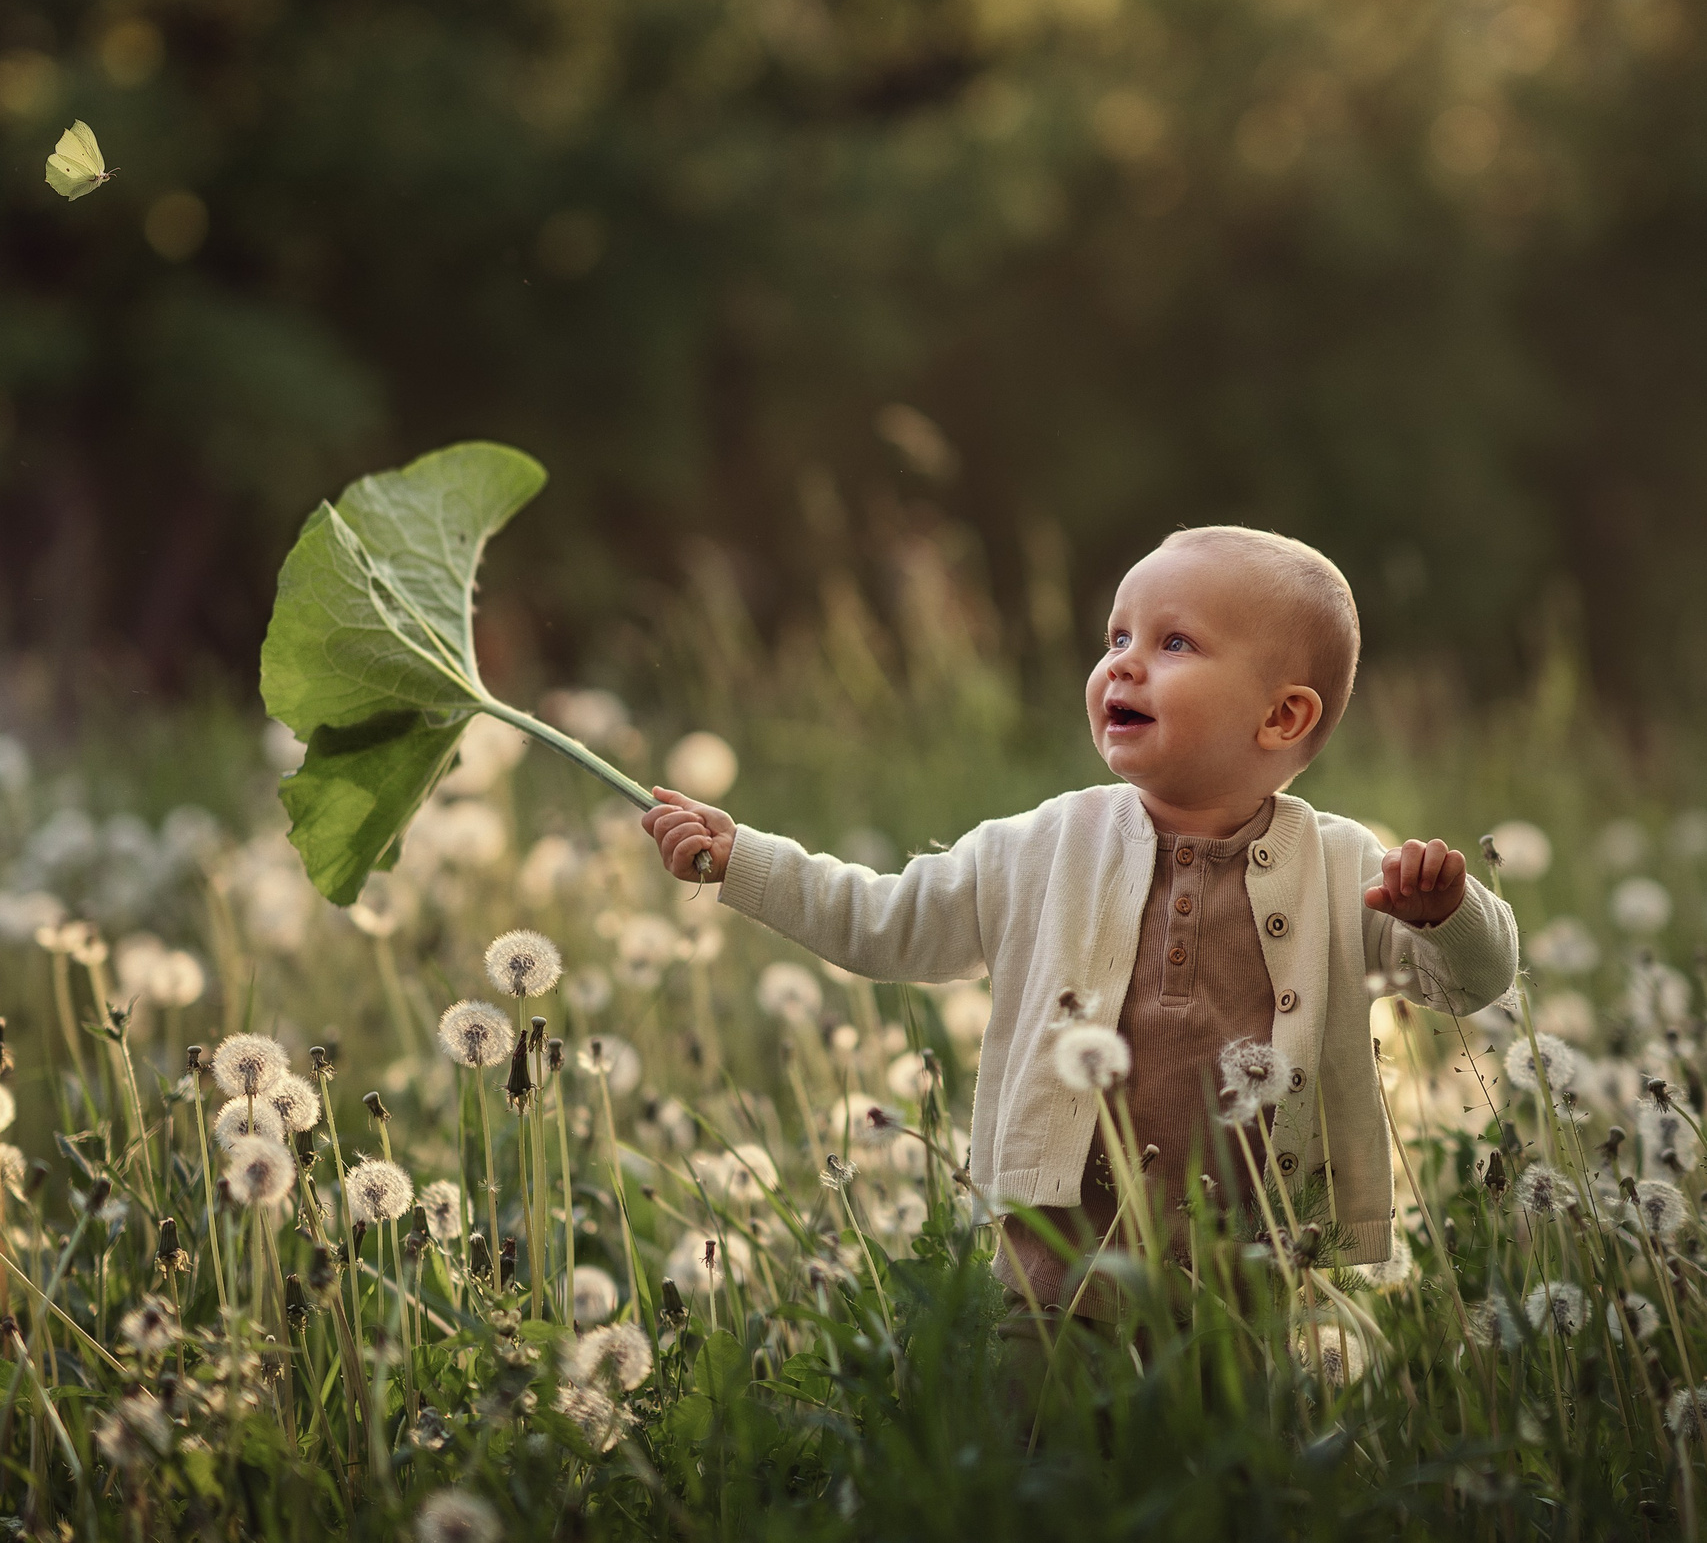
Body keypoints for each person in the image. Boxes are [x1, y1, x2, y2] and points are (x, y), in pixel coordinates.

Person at [640, 524, 1517, 1321]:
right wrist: (743, 859)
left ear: (1281, 715)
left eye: (1174, 642)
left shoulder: (1341, 867)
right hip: (1057, 1271)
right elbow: (882, 922)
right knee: (1047, 1452)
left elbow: (1470, 983)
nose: (1124, 664)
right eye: (1116, 639)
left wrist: (1445, 915)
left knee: (1237, 1465)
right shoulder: (1039, 847)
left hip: (1257, 1276)